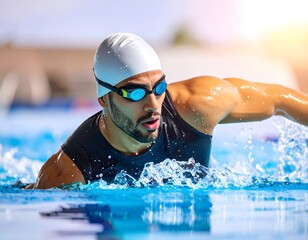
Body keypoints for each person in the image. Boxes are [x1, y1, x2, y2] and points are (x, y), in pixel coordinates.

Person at [31, 33, 308, 189]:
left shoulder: (196, 105)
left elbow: (280, 99)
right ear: (104, 99)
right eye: (135, 92)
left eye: (159, 86)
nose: (153, 105)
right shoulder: (71, 169)